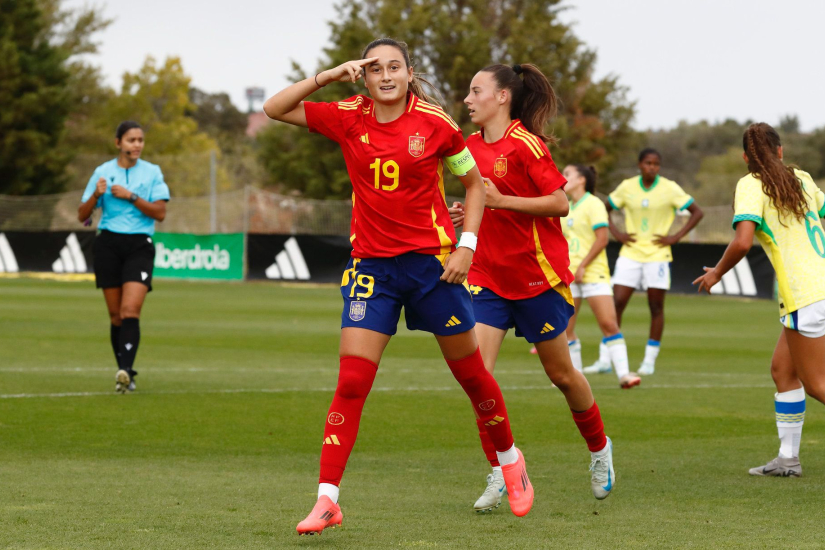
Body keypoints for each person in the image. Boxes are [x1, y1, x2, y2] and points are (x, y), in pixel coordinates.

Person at [262, 38, 534, 536]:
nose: (385, 76)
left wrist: (466, 245)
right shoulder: (348, 115)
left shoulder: (436, 124)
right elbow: (274, 108)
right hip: (371, 270)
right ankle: (327, 500)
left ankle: (511, 460)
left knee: (472, 376)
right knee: (351, 384)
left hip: (433, 269)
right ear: (363, 77)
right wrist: (328, 75)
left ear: (410, 73)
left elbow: (473, 185)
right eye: (374, 69)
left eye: (394, 67)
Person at [450, 63, 615, 514]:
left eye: (475, 90)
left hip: (535, 278)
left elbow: (560, 202)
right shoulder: (466, 148)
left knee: (562, 375)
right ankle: (503, 467)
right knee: (477, 377)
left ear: (502, 97)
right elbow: (478, 200)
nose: (467, 99)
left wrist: (501, 200)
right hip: (487, 278)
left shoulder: (526, 144)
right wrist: (469, 216)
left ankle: (600, 449)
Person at [695, 122, 825, 477]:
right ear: (780, 151)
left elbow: (741, 242)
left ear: (744, 158)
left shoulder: (751, 184)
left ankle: (788, 459)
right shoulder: (802, 177)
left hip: (806, 294)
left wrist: (717, 272)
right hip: (817, 289)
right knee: (783, 371)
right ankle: (788, 459)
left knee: (817, 384)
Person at [77, 121, 169, 393]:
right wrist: (96, 194)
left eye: (140, 140)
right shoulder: (102, 172)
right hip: (107, 245)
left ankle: (126, 372)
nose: (137, 145)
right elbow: (82, 215)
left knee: (131, 311)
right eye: (131, 140)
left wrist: (131, 196)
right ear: (118, 143)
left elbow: (160, 213)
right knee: (116, 316)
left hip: (139, 245)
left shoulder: (152, 172)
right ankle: (124, 373)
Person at [599, 148, 703, 376]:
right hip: (630, 253)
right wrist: (617, 233)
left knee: (656, 307)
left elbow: (697, 212)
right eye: (648, 163)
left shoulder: (670, 188)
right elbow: (604, 208)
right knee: (617, 302)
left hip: (657, 255)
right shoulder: (627, 186)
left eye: (656, 164)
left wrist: (675, 237)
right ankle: (605, 358)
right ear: (639, 165)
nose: (652, 167)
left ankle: (649, 361)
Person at [559, 164, 640, 389]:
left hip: (594, 274)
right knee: (566, 328)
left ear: (582, 180)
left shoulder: (593, 204)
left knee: (608, 324)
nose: (563, 178)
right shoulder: (565, 206)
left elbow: (602, 239)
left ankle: (624, 375)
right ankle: (574, 379)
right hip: (569, 275)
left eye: (567, 174)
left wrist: (583, 266)